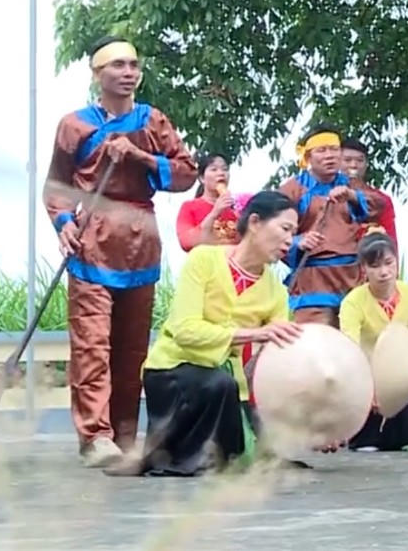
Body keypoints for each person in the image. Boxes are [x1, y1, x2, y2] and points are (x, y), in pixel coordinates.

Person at [44, 36, 199, 468]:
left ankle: (125, 435)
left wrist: (142, 157)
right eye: (118, 65)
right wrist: (63, 224)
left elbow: (186, 174)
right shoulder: (75, 125)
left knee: (132, 349)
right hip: (93, 239)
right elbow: (57, 188)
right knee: (92, 345)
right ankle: (95, 435)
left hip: (140, 238)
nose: (129, 71)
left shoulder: (153, 121)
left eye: (134, 64)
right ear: (98, 74)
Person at [116, 192, 303, 476]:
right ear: (254, 222)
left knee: (265, 445)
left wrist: (315, 411)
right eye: (285, 229)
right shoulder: (204, 260)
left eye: (294, 233)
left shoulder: (276, 291)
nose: (290, 241)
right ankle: (180, 458)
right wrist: (255, 333)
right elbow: (184, 330)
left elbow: (275, 361)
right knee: (218, 385)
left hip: (228, 385)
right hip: (173, 370)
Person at [278, 125, 386, 326]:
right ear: (308, 157)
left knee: (356, 341)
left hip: (353, 278)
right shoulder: (293, 189)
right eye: (322, 150)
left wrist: (351, 195)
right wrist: (297, 241)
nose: (330, 156)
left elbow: (379, 204)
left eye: (334, 149)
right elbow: (272, 229)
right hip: (313, 281)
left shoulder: (352, 185)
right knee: (316, 344)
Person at [339, 232, 408, 452]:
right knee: (368, 444)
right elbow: (349, 348)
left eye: (388, 263)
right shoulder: (353, 302)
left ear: (396, 262)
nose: (383, 272)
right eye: (375, 266)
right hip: (365, 378)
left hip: (401, 377)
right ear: (364, 269)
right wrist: (368, 388)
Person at [340, 138, 398, 247]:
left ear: (366, 164)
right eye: (347, 160)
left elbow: (390, 241)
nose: (353, 165)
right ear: (337, 162)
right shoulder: (329, 196)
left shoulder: (382, 199)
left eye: (360, 160)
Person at [176, 153, 239, 251]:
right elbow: (186, 242)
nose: (221, 173)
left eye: (225, 169)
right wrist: (215, 212)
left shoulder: (236, 211)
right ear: (202, 178)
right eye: (214, 169)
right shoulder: (189, 207)